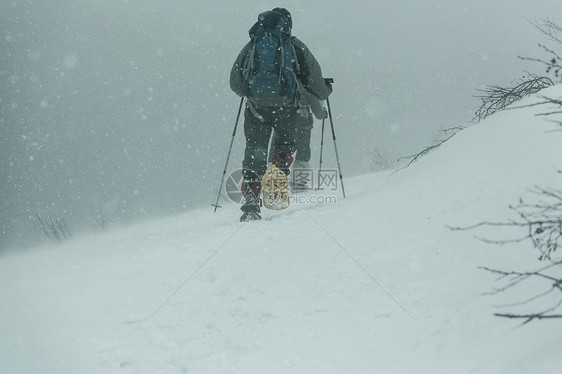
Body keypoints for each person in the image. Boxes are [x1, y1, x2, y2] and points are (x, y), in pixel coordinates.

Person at [230, 7, 332, 222]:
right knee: (285, 145)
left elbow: (235, 83)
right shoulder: (295, 46)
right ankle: (278, 168)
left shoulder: (253, 45)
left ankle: (251, 201)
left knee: (255, 152)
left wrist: (252, 93)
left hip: (256, 108)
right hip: (287, 108)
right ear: (288, 25)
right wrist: (326, 90)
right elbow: (315, 81)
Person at [269, 89, 328, 180]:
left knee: (278, 150)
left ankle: (273, 179)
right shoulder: (307, 83)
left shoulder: (281, 78)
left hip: (281, 118)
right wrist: (323, 113)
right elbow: (318, 112)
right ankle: (299, 181)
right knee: (302, 153)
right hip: (302, 122)